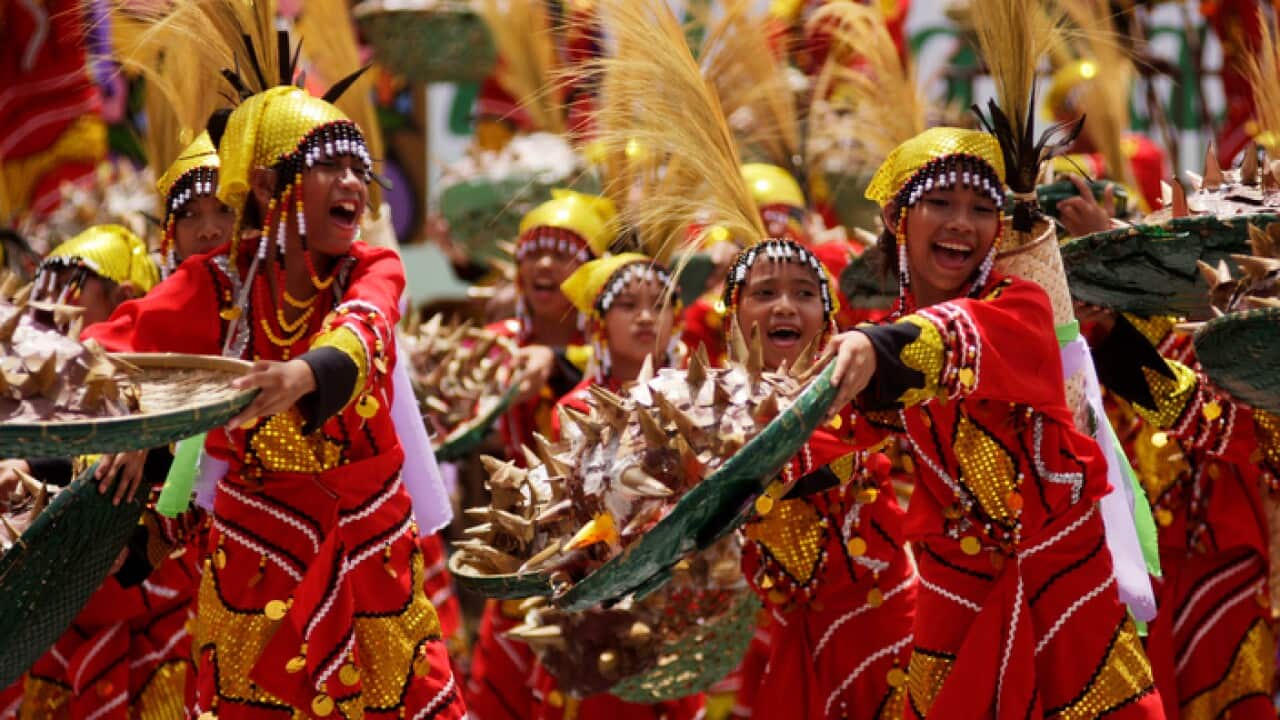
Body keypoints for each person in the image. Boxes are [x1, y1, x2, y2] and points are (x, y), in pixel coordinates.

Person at [85, 70, 464, 718]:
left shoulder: (368, 267)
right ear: (267, 186)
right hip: (255, 561)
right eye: (328, 165)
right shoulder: (217, 286)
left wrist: (303, 375)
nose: (351, 181)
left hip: (369, 559)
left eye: (358, 167)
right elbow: (109, 345)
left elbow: (366, 326)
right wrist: (121, 420)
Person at [818, 127, 1164, 718]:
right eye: (940, 204)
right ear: (898, 219)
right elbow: (839, 443)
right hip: (956, 592)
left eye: (982, 209)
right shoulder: (881, 338)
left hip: (1061, 585)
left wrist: (874, 346)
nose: (962, 223)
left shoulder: (1021, 307)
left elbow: (960, 341)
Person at [720, 237, 914, 719]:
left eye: (805, 293)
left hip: (889, 634)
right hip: (797, 641)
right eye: (764, 294)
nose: (785, 306)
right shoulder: (708, 412)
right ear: (734, 317)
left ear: (828, 318)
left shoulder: (861, 393)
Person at [464, 189, 613, 720]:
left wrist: (554, 363)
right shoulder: (496, 342)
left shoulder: (611, 346)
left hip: (596, 548)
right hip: (516, 544)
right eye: (534, 251)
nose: (545, 264)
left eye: (562, 251)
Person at [155, 132, 236, 275]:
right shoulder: (157, 298)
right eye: (189, 214)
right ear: (169, 232)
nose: (209, 231)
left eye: (226, 209)